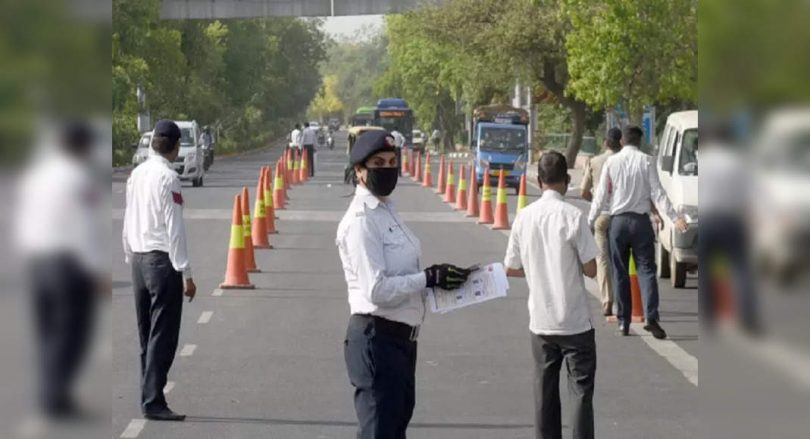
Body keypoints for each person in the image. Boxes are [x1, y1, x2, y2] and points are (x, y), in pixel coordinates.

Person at [337, 130, 472, 439]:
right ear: (359, 171)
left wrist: (437, 280)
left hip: (401, 341)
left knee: (394, 429)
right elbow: (376, 290)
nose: (386, 168)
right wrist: (427, 278)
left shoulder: (387, 211)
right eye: (377, 163)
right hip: (376, 338)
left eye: (391, 161)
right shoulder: (361, 221)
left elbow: (404, 275)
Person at [15, 121, 107, 418]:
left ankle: (49, 392)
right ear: (82, 147)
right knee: (72, 333)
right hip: (67, 265)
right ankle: (56, 397)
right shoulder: (78, 178)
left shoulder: (37, 175)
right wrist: (96, 270)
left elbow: (23, 216)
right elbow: (83, 226)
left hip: (36, 260)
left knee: (46, 331)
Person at [505, 151, 599, 439]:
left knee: (544, 394)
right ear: (567, 180)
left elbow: (511, 267)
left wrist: (535, 269)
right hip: (575, 322)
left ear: (538, 180)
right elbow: (592, 269)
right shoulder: (573, 216)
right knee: (581, 393)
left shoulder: (524, 216)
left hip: (541, 322)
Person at [122, 120, 197, 421]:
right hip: (162, 262)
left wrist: (129, 255)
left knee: (146, 335)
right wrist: (187, 273)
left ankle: (148, 394)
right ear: (176, 148)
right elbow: (174, 228)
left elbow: (129, 218)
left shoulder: (136, 175)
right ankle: (153, 400)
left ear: (153, 143)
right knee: (163, 336)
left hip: (139, 260)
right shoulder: (169, 178)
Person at [588, 125, 688, 339]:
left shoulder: (611, 162)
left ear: (622, 142)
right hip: (641, 223)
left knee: (621, 273)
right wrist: (674, 217)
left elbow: (601, 197)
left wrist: (590, 220)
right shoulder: (647, 160)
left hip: (618, 223)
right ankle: (651, 316)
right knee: (647, 271)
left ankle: (624, 321)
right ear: (640, 142)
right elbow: (658, 193)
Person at [580, 128, 622, 316]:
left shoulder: (594, 162)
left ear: (605, 142)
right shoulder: (625, 161)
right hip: (621, 215)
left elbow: (583, 191)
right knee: (622, 258)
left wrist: (595, 201)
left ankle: (606, 300)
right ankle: (624, 299)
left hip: (601, 216)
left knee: (602, 258)